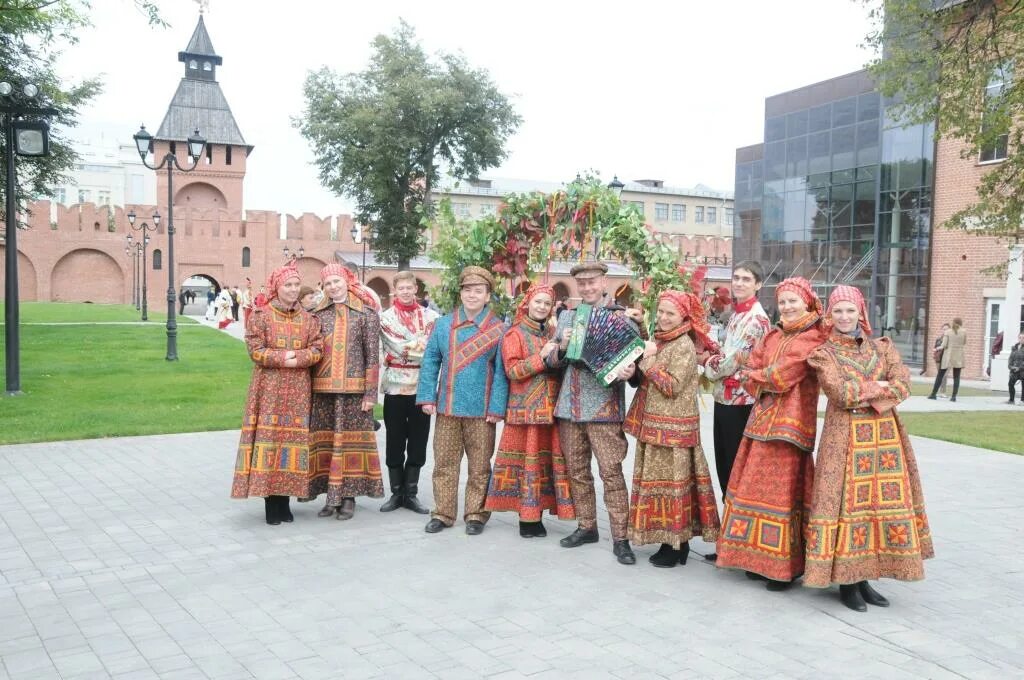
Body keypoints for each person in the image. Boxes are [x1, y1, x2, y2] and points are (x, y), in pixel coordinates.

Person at [805, 285, 934, 611]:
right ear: (829, 316)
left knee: (875, 506)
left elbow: (904, 383)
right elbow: (839, 393)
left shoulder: (882, 348)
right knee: (848, 506)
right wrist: (881, 388)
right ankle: (847, 582)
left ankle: (865, 577)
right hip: (844, 442)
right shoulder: (824, 353)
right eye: (838, 311)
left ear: (861, 312)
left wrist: (870, 390)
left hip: (884, 442)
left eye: (850, 310)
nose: (845, 316)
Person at [715, 277, 825, 589]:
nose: (787, 307)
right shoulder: (774, 335)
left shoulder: (812, 337)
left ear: (806, 303)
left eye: (793, 301)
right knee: (751, 491)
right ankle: (754, 558)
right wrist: (757, 375)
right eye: (784, 301)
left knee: (783, 497)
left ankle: (784, 568)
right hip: (761, 422)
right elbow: (754, 365)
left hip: (790, 429)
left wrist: (757, 375)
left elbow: (782, 375)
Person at [545, 262, 639, 566]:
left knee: (611, 473)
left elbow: (635, 365)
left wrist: (630, 371)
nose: (586, 288)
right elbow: (553, 363)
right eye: (581, 283)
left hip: (604, 407)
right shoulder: (567, 317)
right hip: (570, 405)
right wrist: (561, 344)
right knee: (577, 471)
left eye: (592, 282)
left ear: (603, 282)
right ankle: (587, 526)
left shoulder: (622, 319)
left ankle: (621, 538)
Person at [625, 289, 720, 567]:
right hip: (656, 427)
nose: (665, 318)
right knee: (661, 487)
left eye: (671, 313)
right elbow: (650, 348)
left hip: (674, 432)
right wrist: (642, 327)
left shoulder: (684, 345)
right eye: (662, 312)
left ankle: (676, 544)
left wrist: (648, 360)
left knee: (674, 487)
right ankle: (674, 542)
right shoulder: (663, 340)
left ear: (683, 317)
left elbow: (671, 386)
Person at [417, 266, 509, 535]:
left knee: (480, 466)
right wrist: (426, 397)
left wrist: (496, 407)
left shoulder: (499, 329)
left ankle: (476, 514)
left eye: (478, 291)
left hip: (482, 411)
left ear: (487, 296)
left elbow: (502, 372)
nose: (472, 295)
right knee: (444, 463)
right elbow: (431, 361)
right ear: (461, 293)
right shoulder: (443, 325)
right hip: (447, 406)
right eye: (467, 290)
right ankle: (443, 513)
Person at [230, 264, 324, 525]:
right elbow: (255, 350)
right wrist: (286, 357)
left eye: (296, 285)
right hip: (268, 389)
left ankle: (285, 500)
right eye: (288, 285)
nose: (293, 290)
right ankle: (270, 501)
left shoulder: (308, 319)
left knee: (292, 441)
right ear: (276, 288)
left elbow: (317, 349)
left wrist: (298, 359)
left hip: (298, 391)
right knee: (270, 439)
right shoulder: (261, 316)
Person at [484, 283, 574, 536]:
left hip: (550, 410)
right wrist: (542, 357)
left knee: (545, 464)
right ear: (528, 303)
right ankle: (527, 518)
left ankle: (538, 513)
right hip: (525, 413)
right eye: (538, 302)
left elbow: (560, 365)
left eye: (547, 303)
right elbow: (512, 371)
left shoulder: (553, 332)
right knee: (527, 465)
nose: (542, 307)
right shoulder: (514, 334)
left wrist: (563, 348)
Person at [700, 261, 771, 562]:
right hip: (725, 400)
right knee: (725, 470)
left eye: (746, 279)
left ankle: (737, 545)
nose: (739, 283)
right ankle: (728, 541)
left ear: (758, 285)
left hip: (741, 403)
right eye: (736, 278)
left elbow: (732, 362)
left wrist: (703, 363)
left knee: (735, 472)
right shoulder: (736, 315)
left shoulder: (755, 319)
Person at [308, 264, 384, 520]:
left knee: (350, 443)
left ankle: (348, 497)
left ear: (347, 281)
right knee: (328, 443)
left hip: (354, 391)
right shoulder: (317, 314)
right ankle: (331, 497)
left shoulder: (365, 313)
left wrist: (370, 393)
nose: (332, 287)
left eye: (336, 281)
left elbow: (372, 356)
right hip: (322, 390)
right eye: (327, 283)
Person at [379, 271, 439, 514]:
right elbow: (394, 346)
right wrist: (417, 348)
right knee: (394, 439)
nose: (405, 291)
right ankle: (396, 493)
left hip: (421, 387)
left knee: (418, 439)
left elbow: (432, 349)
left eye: (409, 287)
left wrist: (411, 350)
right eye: (401, 288)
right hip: (394, 387)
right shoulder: (385, 318)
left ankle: (411, 493)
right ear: (395, 290)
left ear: (416, 289)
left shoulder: (431, 316)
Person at [928, 318, 967, 401]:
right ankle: (953, 397)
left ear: (953, 323)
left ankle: (933, 394)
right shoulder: (964, 331)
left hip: (948, 356)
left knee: (940, 375)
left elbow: (944, 345)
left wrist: (937, 348)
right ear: (961, 323)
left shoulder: (948, 332)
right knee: (956, 377)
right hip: (959, 356)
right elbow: (964, 342)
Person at [1008, 332, 1024, 404]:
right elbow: (1010, 359)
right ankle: (1011, 400)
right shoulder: (1014, 348)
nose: (1022, 339)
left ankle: (1022, 400)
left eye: (1023, 338)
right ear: (1018, 338)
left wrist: (1020, 368)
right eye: (1020, 337)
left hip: (1022, 371)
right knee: (1010, 384)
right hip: (1014, 370)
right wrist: (1011, 367)